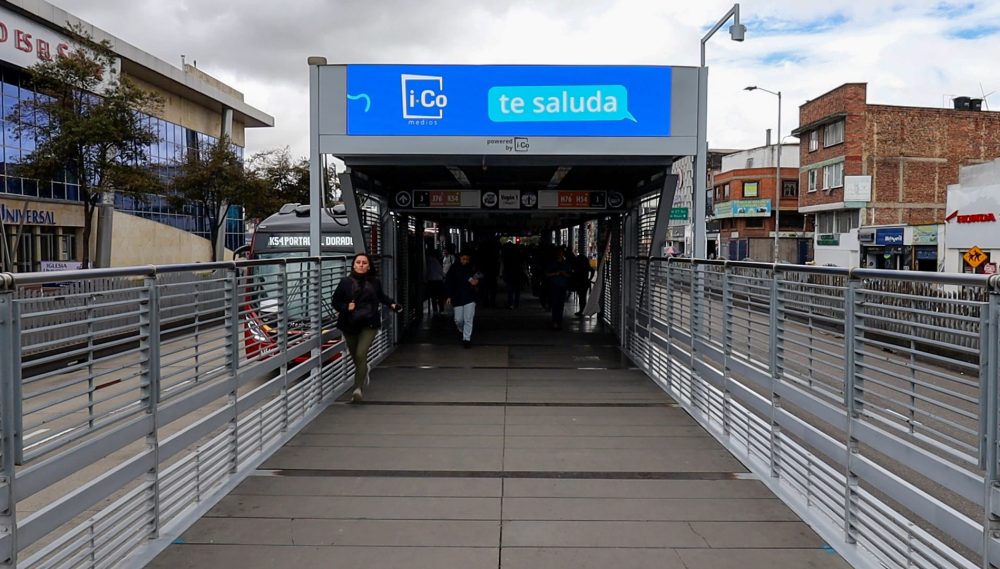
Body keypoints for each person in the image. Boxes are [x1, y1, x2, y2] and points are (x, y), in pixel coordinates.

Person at [332, 253, 401, 403]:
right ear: (354, 265)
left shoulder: (374, 282)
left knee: (361, 353)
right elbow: (335, 302)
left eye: (364, 263)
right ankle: (364, 370)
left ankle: (357, 389)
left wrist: (392, 304)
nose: (361, 265)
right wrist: (345, 307)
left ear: (369, 266)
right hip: (349, 324)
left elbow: (381, 296)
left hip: (369, 324)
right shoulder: (345, 282)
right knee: (356, 356)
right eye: (358, 262)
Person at [444, 251, 480, 348]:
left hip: (470, 297)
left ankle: (466, 339)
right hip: (457, 297)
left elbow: (479, 276)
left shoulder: (472, 268)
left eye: (467, 259)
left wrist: (477, 281)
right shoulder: (454, 269)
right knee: (458, 319)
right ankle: (462, 330)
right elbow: (449, 282)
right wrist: (448, 296)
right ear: (459, 258)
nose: (465, 261)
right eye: (463, 259)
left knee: (468, 319)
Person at [545, 247, 573, 330]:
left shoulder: (566, 263)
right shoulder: (552, 263)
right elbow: (546, 274)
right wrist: (555, 273)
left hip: (563, 287)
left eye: (561, 253)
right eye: (558, 253)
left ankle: (559, 322)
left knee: (561, 305)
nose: (559, 254)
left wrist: (564, 274)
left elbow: (570, 275)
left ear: (563, 254)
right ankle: (555, 322)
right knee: (555, 304)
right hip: (554, 286)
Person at [571, 251, 595, 316]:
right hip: (585, 283)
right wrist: (590, 279)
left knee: (581, 298)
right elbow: (592, 270)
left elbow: (574, 274)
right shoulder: (586, 266)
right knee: (583, 297)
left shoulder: (577, 267)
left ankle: (582, 311)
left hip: (579, 283)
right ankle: (583, 310)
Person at [425, 247, 445, 315]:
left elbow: (427, 271)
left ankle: (435, 310)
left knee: (433, 297)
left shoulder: (428, 261)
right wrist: (444, 276)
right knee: (440, 296)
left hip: (431, 281)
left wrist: (426, 278)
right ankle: (441, 309)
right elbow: (440, 271)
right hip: (438, 281)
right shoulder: (435, 261)